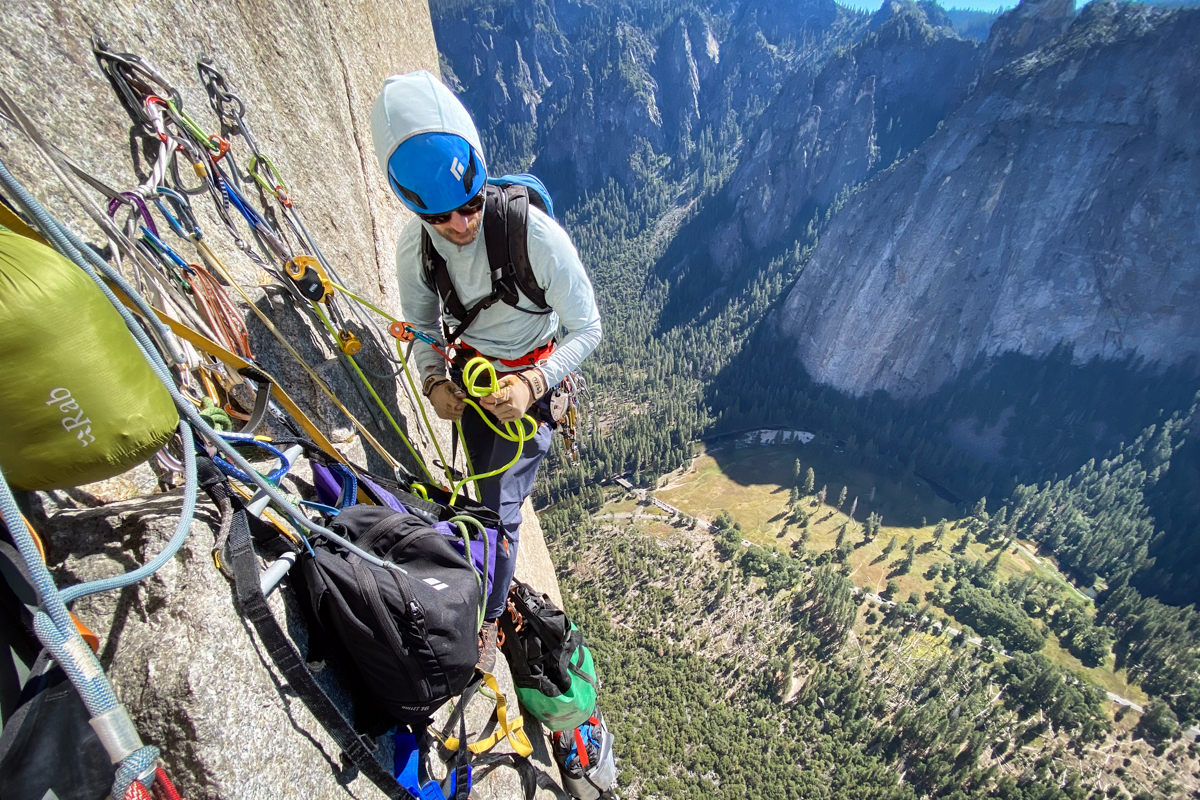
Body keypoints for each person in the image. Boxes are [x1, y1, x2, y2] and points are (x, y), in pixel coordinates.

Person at [370, 71, 602, 669]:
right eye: (443, 217)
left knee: (499, 511)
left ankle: (491, 620)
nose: (462, 224)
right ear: (418, 211)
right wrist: (431, 380)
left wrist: (533, 384)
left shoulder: (534, 236)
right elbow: (421, 324)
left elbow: (589, 328)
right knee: (478, 494)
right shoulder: (414, 249)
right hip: (471, 381)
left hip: (532, 384)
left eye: (471, 205)